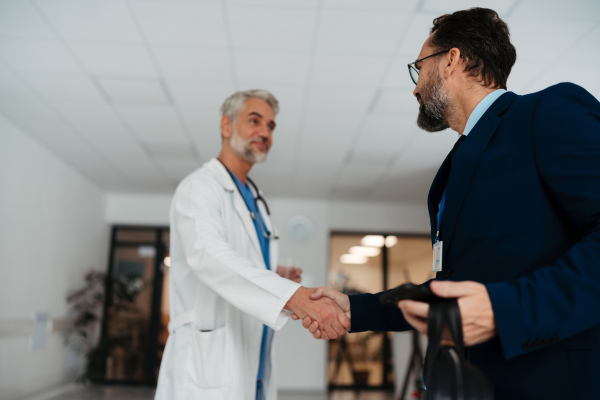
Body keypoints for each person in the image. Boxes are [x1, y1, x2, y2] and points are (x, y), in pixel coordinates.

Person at [299, 8, 600, 399]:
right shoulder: (455, 166)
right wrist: (354, 309)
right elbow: (452, 287)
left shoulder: (546, 113)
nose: (415, 87)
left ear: (451, 60)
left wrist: (504, 310)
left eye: (419, 67)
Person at [155, 89, 350, 400]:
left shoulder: (255, 201)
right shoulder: (199, 188)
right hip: (209, 365)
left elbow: (237, 263)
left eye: (271, 126)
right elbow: (208, 255)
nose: (265, 132)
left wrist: (273, 273)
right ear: (226, 126)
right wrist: (294, 297)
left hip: (254, 361)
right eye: (255, 121)